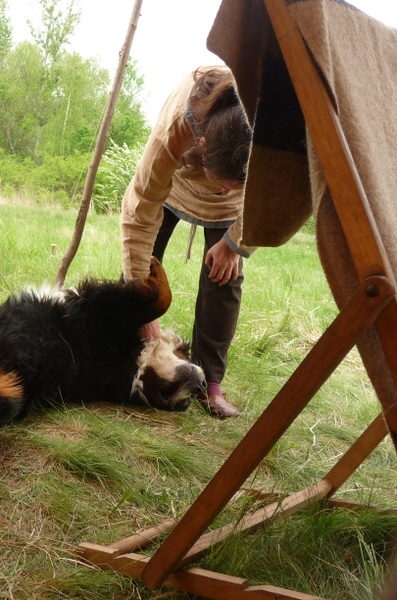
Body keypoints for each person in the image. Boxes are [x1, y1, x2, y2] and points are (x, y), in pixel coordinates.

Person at [120, 66, 253, 418]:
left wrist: (235, 244)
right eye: (222, 182)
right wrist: (143, 305)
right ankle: (127, 363)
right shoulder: (174, 132)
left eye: (231, 185)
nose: (223, 189)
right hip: (174, 185)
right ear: (203, 146)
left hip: (239, 206)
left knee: (224, 278)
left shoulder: (268, 133)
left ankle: (210, 383)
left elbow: (277, 201)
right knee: (140, 273)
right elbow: (139, 214)